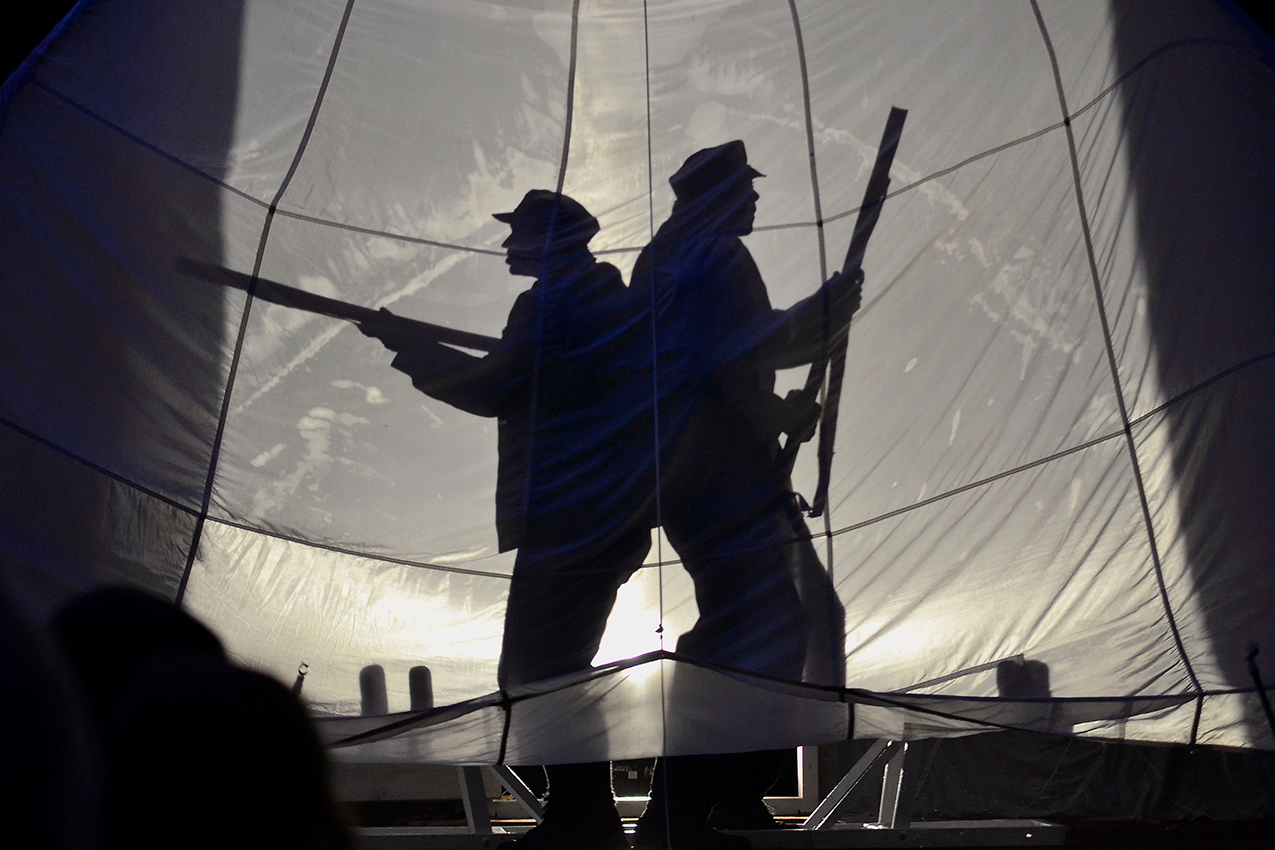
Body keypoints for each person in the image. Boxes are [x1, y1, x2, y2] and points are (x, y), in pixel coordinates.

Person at [360, 190, 652, 850]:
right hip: (595, 513)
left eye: (519, 234)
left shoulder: (555, 302)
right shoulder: (595, 298)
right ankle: (582, 817)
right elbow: (514, 378)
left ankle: (584, 821)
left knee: (539, 672)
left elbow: (492, 388)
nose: (506, 246)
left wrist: (410, 346)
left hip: (573, 515)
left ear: (551, 240)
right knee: (548, 669)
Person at [626, 140, 860, 848]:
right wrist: (822, 313)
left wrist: (777, 411)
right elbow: (734, 352)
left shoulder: (682, 254)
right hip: (713, 479)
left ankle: (727, 791)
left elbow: (725, 365)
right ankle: (684, 805)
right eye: (745, 189)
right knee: (755, 626)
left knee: (782, 621)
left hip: (719, 473)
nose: (756, 199)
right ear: (714, 196)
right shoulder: (701, 255)